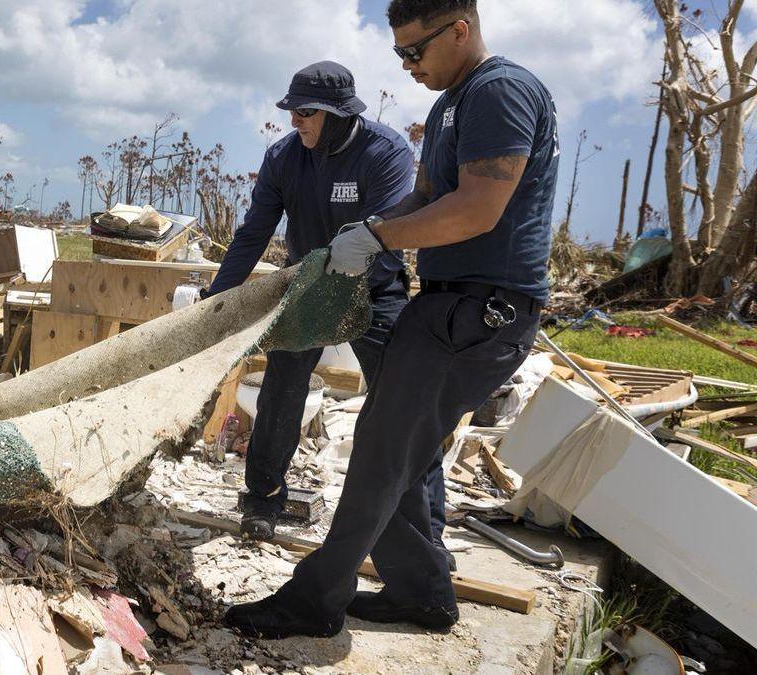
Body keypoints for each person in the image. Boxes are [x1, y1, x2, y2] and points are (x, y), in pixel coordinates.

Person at [225, 0, 559, 638]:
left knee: (380, 452)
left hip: (482, 309)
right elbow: (430, 196)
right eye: (398, 53)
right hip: (447, 303)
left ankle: (314, 601)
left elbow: (479, 208)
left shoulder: (500, 91)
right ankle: (420, 594)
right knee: (393, 445)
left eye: (416, 51)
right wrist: (372, 229)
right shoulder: (448, 104)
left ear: (460, 30)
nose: (407, 66)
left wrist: (378, 237)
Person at [205, 61, 451, 566]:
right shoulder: (284, 158)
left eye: (306, 113)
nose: (296, 122)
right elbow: (254, 232)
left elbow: (389, 230)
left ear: (339, 115)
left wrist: (358, 257)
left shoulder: (385, 153)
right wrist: (218, 298)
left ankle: (429, 534)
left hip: (373, 288)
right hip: (308, 288)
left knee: (404, 402)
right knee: (282, 388)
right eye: (292, 112)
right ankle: (263, 497)